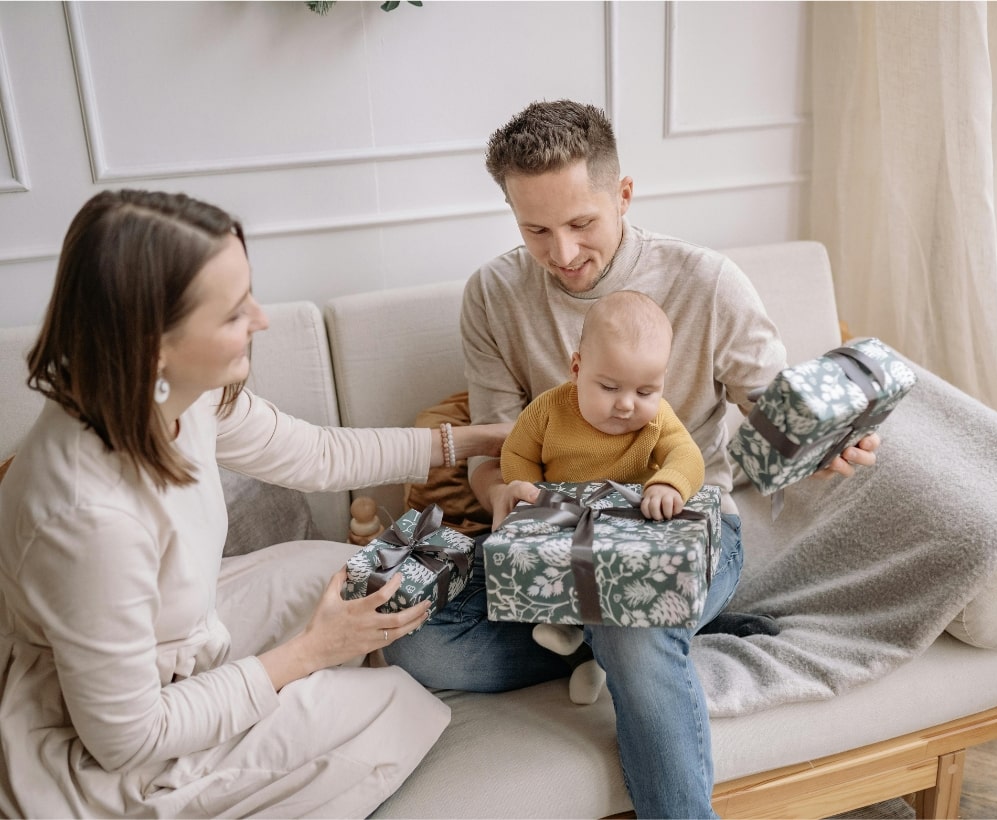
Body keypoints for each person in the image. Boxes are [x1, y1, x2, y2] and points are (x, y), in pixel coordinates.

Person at [384, 99, 880, 818]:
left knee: (627, 611)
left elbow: (775, 413)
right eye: (535, 230)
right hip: (552, 542)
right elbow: (496, 446)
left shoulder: (706, 282)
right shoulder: (494, 294)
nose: (561, 254)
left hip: (684, 530)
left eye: (581, 223)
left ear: (622, 195)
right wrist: (500, 494)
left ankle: (635, 643)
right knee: (417, 644)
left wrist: (822, 442)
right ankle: (649, 637)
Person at [0, 189, 510, 818]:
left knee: (345, 571)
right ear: (154, 343)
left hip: (179, 638)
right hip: (102, 743)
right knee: (394, 703)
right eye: (234, 311)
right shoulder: (88, 516)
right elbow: (126, 739)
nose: (261, 319)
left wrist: (478, 440)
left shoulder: (178, 396)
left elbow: (318, 454)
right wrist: (308, 655)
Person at [500, 289, 705, 705]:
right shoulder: (549, 410)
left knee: (626, 589)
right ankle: (576, 647)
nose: (627, 405)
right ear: (577, 368)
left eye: (646, 391)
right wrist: (524, 488)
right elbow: (517, 451)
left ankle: (586, 649)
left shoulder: (658, 419)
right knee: (543, 573)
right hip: (564, 523)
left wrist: (668, 483)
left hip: (630, 532)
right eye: (609, 387)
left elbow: (687, 453)